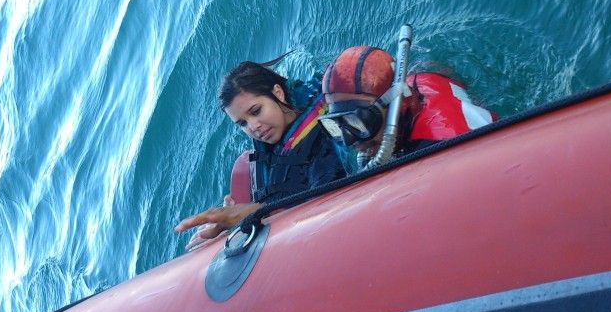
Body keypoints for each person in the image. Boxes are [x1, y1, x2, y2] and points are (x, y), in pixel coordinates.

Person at [175, 58, 347, 250]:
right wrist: (229, 224)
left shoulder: (324, 137)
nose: (253, 127)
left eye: (256, 111)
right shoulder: (273, 133)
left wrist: (255, 213)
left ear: (279, 93)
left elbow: (325, 210)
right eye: (242, 123)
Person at [319, 45, 495, 159]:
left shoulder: (440, 150)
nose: (350, 141)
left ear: (399, 103)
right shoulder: (416, 79)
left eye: (359, 121)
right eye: (336, 124)